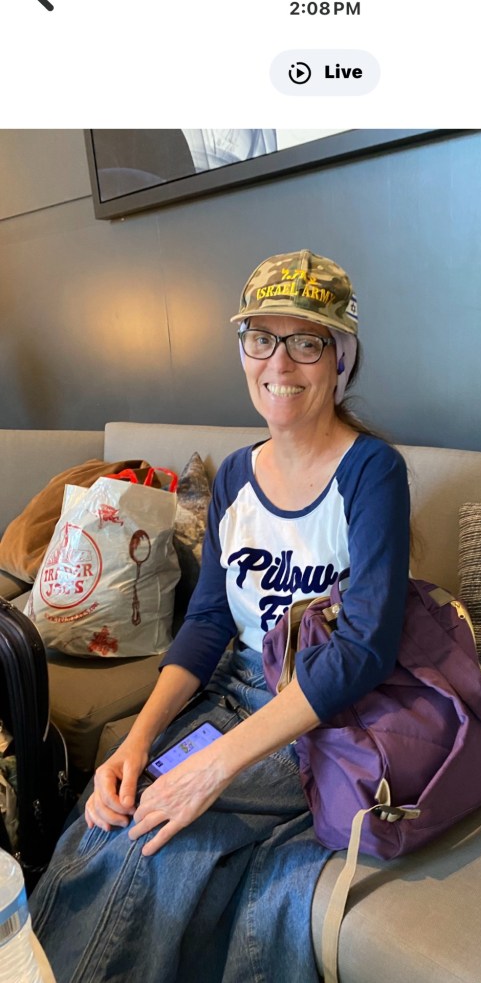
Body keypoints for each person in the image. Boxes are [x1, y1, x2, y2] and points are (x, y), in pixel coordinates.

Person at [30, 249, 411, 983]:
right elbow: (207, 624)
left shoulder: (372, 472)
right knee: (102, 816)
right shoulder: (236, 473)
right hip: (232, 693)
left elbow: (365, 649)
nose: (279, 363)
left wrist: (214, 767)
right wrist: (138, 741)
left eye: (306, 341)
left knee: (152, 843)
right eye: (260, 338)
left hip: (317, 717)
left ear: (342, 357)